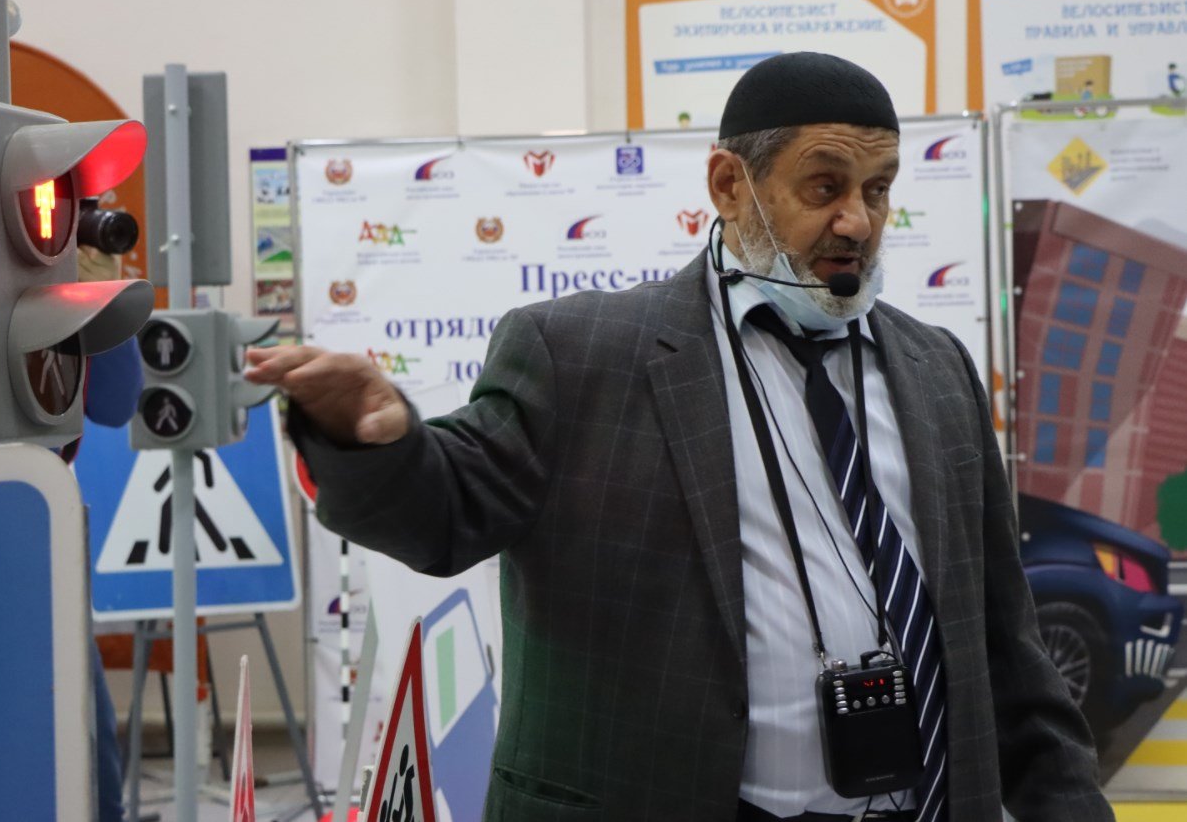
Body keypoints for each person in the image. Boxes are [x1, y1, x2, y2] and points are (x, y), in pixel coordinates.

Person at [245, 53, 1113, 821]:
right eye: (825, 187)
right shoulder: (582, 354)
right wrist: (377, 442)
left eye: (878, 189)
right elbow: (446, 511)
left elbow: (1008, 647)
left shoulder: (937, 369)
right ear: (730, 185)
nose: (858, 220)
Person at [78, 242, 145, 822]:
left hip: (37, 547)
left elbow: (114, 403)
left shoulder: (47, 278)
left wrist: (104, 300)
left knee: (95, 778)